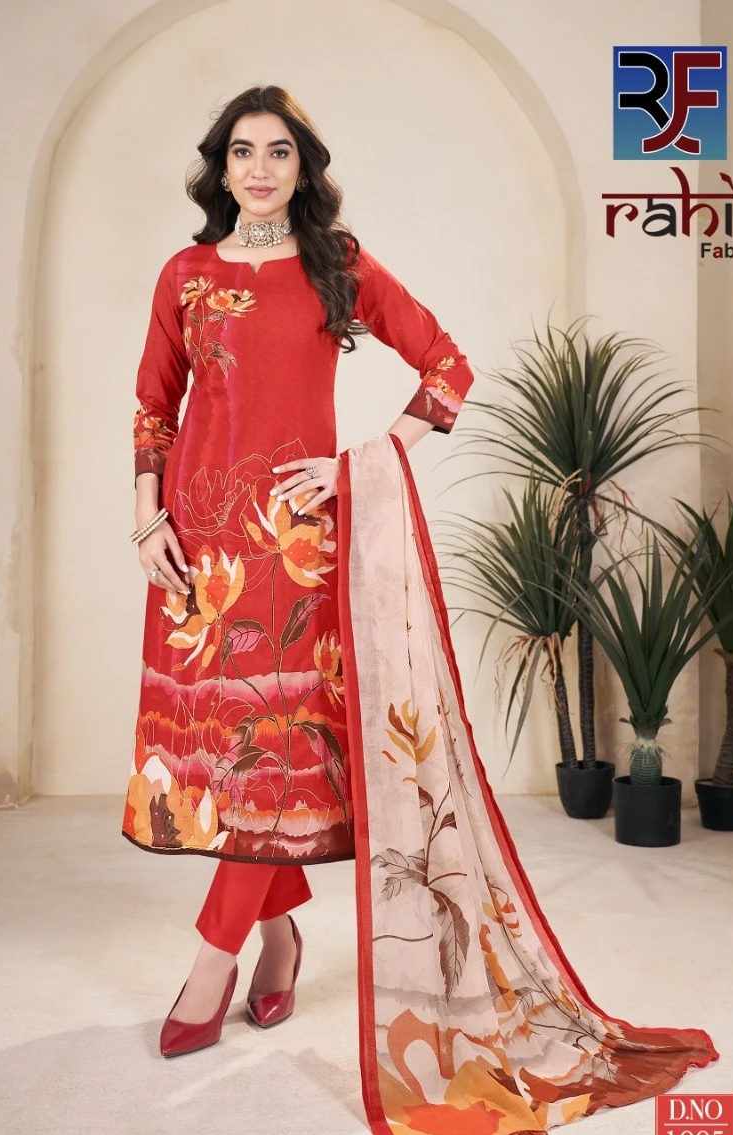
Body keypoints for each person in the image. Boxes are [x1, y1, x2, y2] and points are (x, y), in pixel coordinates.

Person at [122, 84, 475, 1058]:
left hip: (293, 551)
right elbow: (153, 401)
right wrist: (147, 517)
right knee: (229, 758)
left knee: (270, 757)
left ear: (303, 169)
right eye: (244, 151)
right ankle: (279, 937)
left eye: (280, 151)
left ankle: (213, 958)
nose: (261, 168)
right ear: (221, 166)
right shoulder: (186, 273)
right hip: (198, 553)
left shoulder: (337, 265)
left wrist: (366, 459)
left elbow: (447, 366)